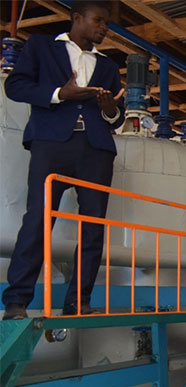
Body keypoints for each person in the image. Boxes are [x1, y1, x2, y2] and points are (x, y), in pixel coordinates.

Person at [2, 0, 125, 320]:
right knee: (38, 220)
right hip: (51, 144)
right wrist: (60, 93)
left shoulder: (108, 66)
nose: (103, 28)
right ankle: (16, 302)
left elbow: (116, 117)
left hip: (96, 149)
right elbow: (14, 86)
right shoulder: (42, 47)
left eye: (106, 24)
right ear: (77, 18)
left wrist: (110, 108)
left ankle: (79, 302)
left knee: (93, 227)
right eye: (98, 21)